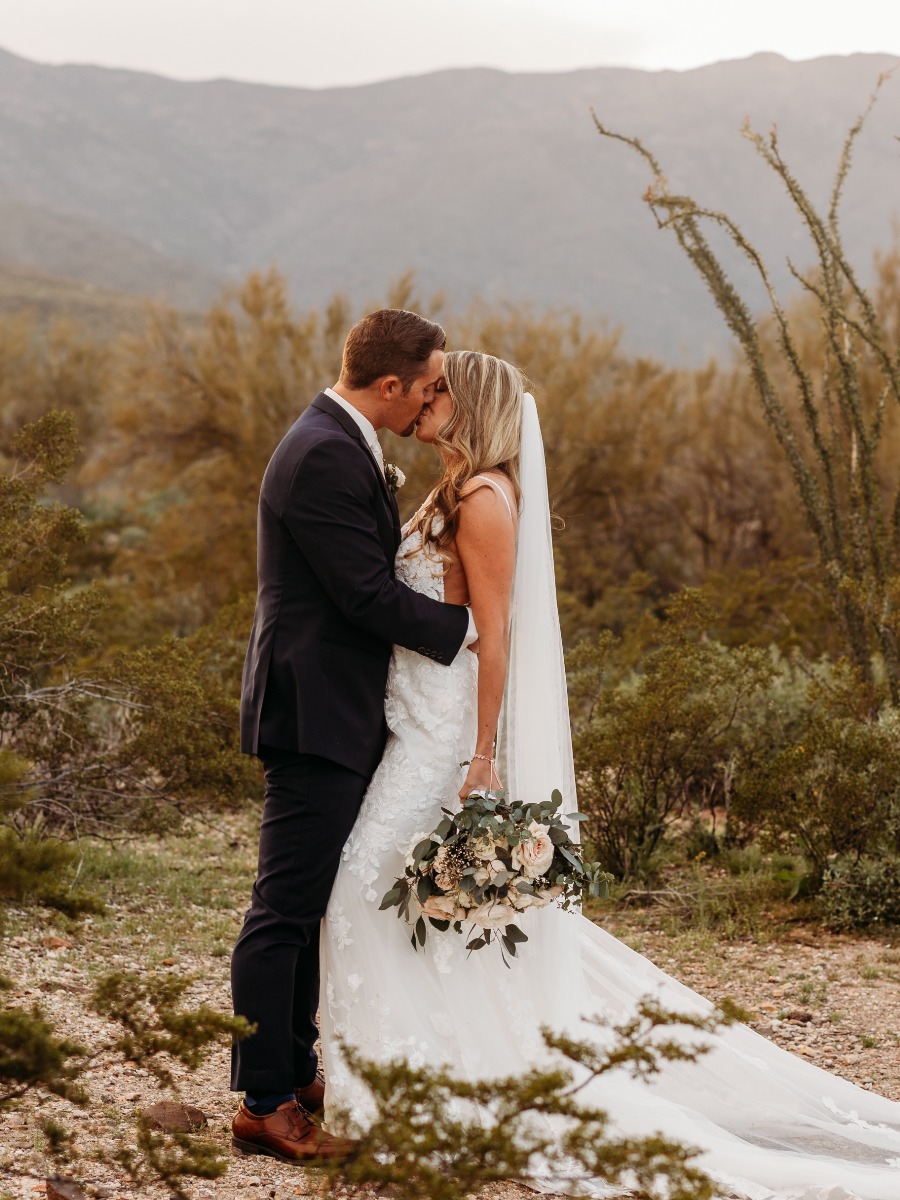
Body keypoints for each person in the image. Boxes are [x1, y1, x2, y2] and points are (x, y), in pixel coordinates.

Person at [319, 350, 900, 1199]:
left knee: (363, 888)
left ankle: (421, 1083)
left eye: (443, 391)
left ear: (474, 405)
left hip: (441, 733)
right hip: (408, 719)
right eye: (429, 387)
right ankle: (417, 1072)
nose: (428, 399)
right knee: (410, 906)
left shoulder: (484, 498)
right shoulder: (451, 488)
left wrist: (482, 754)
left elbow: (495, 636)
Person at [230, 309, 477, 1163]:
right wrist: (468, 631)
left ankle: (292, 1072)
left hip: (335, 705)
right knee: (284, 910)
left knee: (307, 906)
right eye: (429, 388)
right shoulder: (325, 454)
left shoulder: (341, 442)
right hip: (313, 710)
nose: (433, 402)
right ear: (389, 387)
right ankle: (263, 1104)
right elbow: (365, 597)